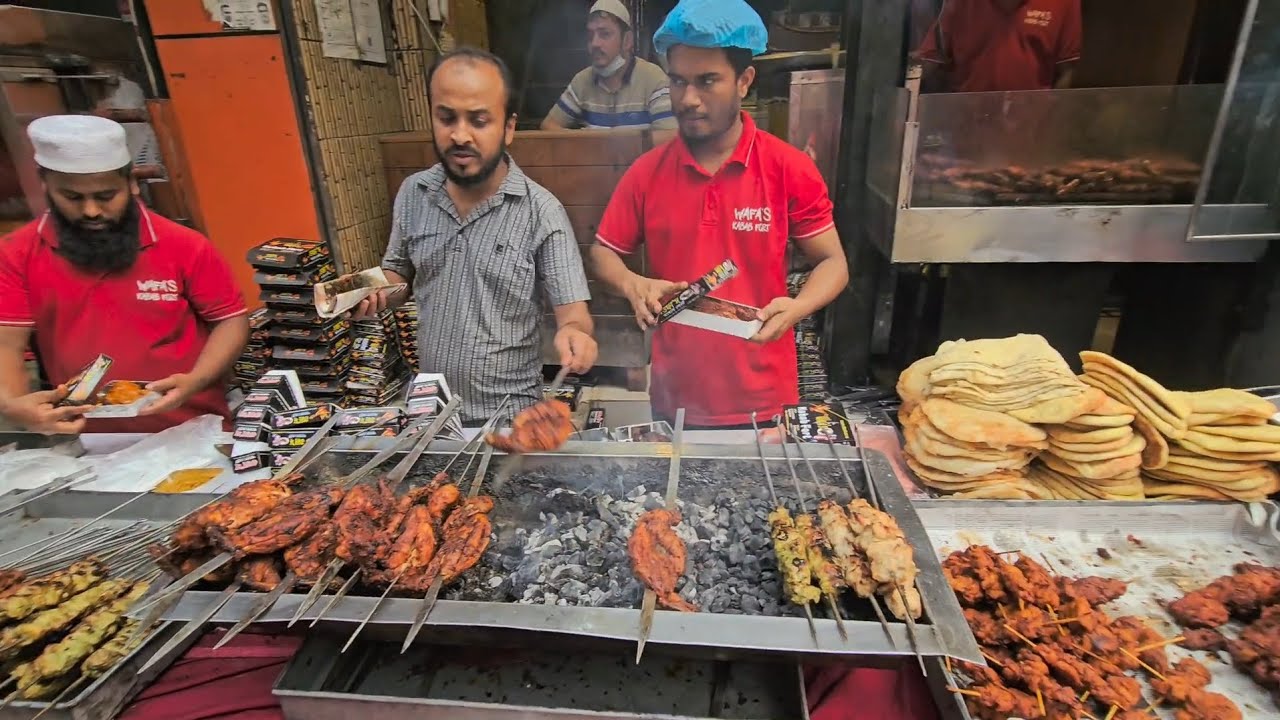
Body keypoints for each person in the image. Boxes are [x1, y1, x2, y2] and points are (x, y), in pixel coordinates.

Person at [589, 0, 848, 428]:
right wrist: (631, 283)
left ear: (744, 80)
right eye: (678, 81)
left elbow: (833, 262)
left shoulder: (787, 167)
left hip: (766, 402)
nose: (688, 99)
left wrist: (799, 306)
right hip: (675, 403)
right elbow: (603, 253)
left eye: (707, 81)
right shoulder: (647, 172)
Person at [355, 48, 598, 424]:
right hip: (431, 413)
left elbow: (574, 314)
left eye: (479, 120)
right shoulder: (413, 193)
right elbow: (399, 277)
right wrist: (367, 291)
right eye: (447, 117)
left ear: (509, 127)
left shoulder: (541, 212)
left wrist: (576, 334)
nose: (460, 135)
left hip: (511, 420)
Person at [0, 115, 249, 435]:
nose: (91, 211)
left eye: (106, 196)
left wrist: (197, 380)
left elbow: (230, 319)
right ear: (45, 185)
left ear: (131, 182)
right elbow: (6, 343)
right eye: (73, 197)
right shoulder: (16, 254)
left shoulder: (184, 246)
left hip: (194, 427)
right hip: (86, 436)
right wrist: (11, 404)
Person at [541, 0, 676, 131]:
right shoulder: (582, 81)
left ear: (627, 40)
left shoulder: (653, 79)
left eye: (604, 34)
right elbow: (548, 126)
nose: (595, 43)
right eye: (590, 35)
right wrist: (581, 143)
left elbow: (668, 137)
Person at [917, 0, 1082, 93]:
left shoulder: (1064, 2)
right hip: (967, 130)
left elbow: (1067, 71)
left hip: (1032, 131)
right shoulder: (958, 3)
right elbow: (929, 63)